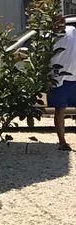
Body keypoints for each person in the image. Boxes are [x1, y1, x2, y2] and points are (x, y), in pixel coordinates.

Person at [48, 20, 76, 148]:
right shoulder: (48, 38)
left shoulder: (71, 30)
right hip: (58, 79)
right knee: (60, 110)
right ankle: (62, 142)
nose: (59, 25)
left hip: (74, 76)